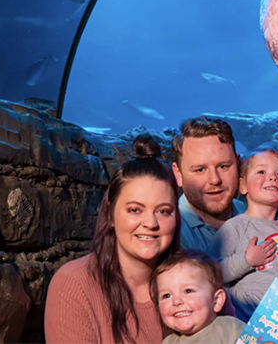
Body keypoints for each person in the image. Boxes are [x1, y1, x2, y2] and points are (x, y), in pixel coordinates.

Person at [45, 135, 182, 344]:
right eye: (135, 210)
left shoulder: (197, 277)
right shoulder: (73, 284)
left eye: (163, 211)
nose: (151, 223)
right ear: (110, 215)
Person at [208, 148, 278, 322]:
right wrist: (247, 260)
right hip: (247, 326)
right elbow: (211, 274)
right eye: (262, 171)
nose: (272, 177)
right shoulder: (234, 227)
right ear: (242, 186)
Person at [171, 117, 246, 253]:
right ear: (178, 174)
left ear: (238, 164)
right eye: (200, 170)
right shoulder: (170, 232)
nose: (215, 180)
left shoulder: (253, 213)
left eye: (223, 166)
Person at [152, 250, 246, 344]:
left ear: (217, 300)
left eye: (188, 291)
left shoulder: (229, 329)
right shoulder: (168, 342)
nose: (176, 301)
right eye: (166, 296)